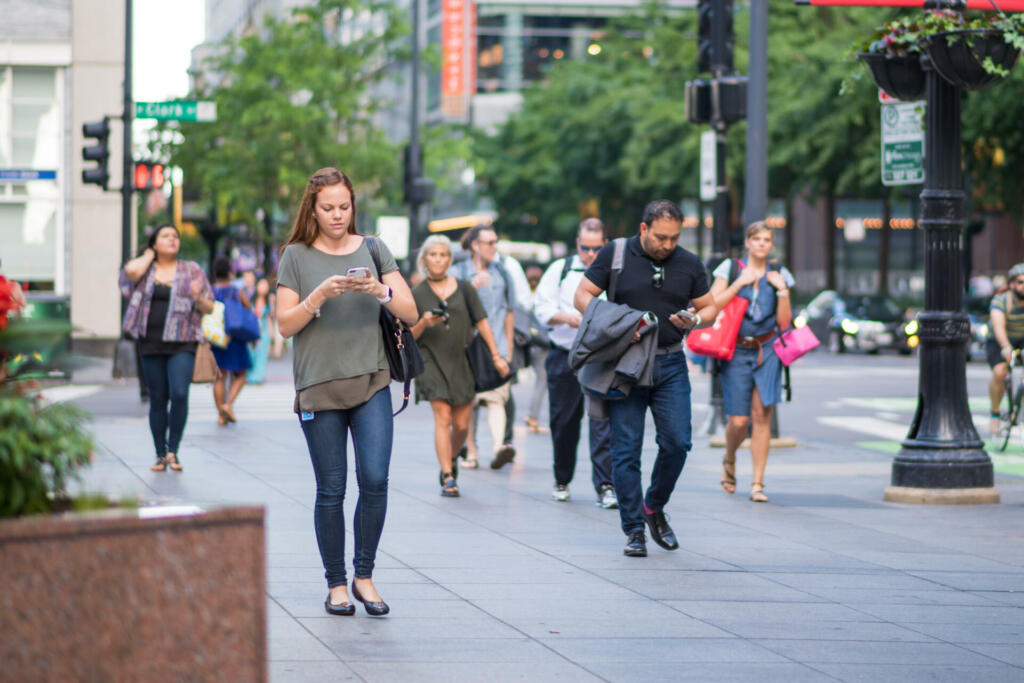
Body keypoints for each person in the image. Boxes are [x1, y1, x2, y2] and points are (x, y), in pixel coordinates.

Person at [276, 166, 417, 617]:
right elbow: (284, 326)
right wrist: (317, 296)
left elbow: (411, 313)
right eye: (328, 208)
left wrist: (378, 288)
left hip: (372, 380)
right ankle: (336, 582)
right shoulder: (295, 256)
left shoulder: (374, 248)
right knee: (331, 489)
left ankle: (364, 575)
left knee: (375, 480)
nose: (337, 215)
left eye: (344, 206)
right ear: (312, 210)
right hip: (318, 386)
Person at [574, 200, 717, 557]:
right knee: (626, 449)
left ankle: (653, 506)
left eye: (674, 238)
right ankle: (634, 529)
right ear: (643, 229)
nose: (667, 245)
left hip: (670, 362)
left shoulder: (688, 262)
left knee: (678, 442)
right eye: (660, 237)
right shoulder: (616, 252)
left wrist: (696, 320)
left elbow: (710, 307)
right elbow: (582, 296)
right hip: (627, 362)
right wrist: (618, 325)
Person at [410, 235, 510, 497]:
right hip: (430, 359)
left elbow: (483, 322)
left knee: (462, 425)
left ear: (450, 259)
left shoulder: (465, 288)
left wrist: (497, 356)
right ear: (424, 259)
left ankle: (451, 456)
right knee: (442, 417)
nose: (438, 260)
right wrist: (423, 323)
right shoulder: (417, 293)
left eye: (443, 255)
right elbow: (407, 335)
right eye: (433, 255)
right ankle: (447, 475)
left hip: (461, 359)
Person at [709, 222, 795, 503]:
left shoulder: (780, 273)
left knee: (762, 416)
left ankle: (757, 483)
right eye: (756, 239)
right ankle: (730, 457)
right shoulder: (730, 269)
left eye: (767, 239)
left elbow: (785, 322)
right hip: (736, 349)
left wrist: (782, 291)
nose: (762, 244)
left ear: (771, 244)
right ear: (747, 242)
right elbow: (712, 305)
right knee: (738, 420)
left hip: (767, 349)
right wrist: (739, 283)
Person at [119, 224, 215, 472]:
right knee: (158, 398)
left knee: (180, 393)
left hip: (183, 340)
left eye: (175, 236)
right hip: (150, 342)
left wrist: (197, 297)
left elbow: (209, 307)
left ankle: (174, 450)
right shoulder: (144, 270)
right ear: (154, 242)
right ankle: (160, 454)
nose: (172, 239)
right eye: (165, 236)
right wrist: (150, 254)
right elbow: (127, 274)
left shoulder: (191, 270)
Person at [534, 218, 617, 507]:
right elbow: (542, 309)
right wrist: (566, 318)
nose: (591, 254)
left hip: (601, 356)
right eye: (585, 247)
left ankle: (605, 485)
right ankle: (562, 478)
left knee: (602, 421)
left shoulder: (615, 272)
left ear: (605, 245)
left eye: (596, 248)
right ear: (577, 244)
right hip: (565, 352)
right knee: (564, 421)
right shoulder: (560, 269)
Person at [451, 224, 517, 470]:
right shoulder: (458, 272)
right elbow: (449, 306)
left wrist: (508, 349)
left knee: (497, 397)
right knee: (468, 401)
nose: (494, 247)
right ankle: (471, 452)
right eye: (489, 243)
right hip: (467, 345)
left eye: (495, 241)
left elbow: (509, 312)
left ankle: (499, 446)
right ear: (476, 246)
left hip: (496, 346)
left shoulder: (502, 272)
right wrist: (470, 287)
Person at [210, 257, 254, 425]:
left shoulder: (210, 291)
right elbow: (247, 311)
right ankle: (227, 405)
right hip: (235, 337)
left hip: (216, 338)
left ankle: (221, 416)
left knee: (219, 377)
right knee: (241, 374)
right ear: (230, 272)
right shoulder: (237, 291)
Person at [987, 263, 1024, 435]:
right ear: (1011, 284)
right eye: (1020, 282)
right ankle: (995, 414)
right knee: (1000, 372)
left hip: (1021, 338)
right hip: (999, 340)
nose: (1023, 287)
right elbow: (998, 325)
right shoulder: (1001, 300)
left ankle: (1018, 406)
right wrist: (1006, 347)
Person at [523, 262, 550, 435]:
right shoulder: (539, 296)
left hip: (532, 343)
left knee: (540, 380)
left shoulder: (525, 296)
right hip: (541, 344)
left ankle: (533, 416)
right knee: (542, 380)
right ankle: (532, 416)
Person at [247, 275, 273, 384]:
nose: (264, 287)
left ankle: (259, 377)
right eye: (261, 284)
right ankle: (250, 376)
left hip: (264, 333)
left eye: (265, 285)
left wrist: (271, 335)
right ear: (257, 286)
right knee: (251, 354)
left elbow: (269, 318)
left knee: (262, 355)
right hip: (252, 332)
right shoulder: (250, 300)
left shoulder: (269, 301)